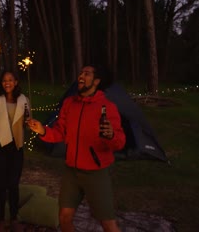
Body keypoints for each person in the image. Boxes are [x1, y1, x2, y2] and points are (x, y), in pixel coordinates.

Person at [27, 64, 126, 232]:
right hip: (71, 171)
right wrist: (43, 130)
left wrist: (111, 136)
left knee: (108, 224)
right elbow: (59, 132)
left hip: (95, 172)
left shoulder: (107, 107)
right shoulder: (69, 103)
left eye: (86, 73)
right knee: (64, 218)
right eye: (80, 72)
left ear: (96, 81)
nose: (81, 76)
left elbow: (119, 142)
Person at [0, 70, 30, 232]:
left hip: (16, 148)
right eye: (4, 80)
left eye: (10, 80)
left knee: (14, 184)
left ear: (16, 82)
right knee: (1, 184)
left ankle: (14, 218)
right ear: (1, 83)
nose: (7, 83)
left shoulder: (24, 101)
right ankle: (1, 220)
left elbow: (27, 123)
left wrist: (28, 122)